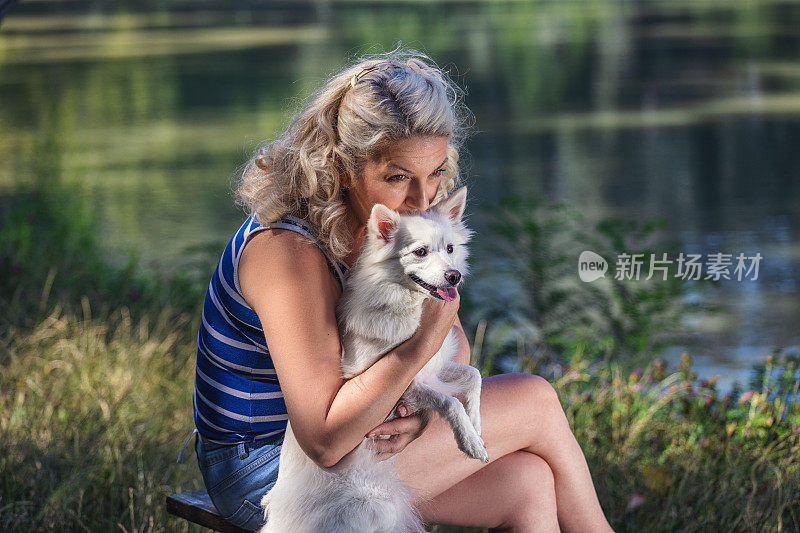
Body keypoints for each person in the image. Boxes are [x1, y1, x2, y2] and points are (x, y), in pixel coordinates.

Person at [181, 47, 615, 532]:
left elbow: (453, 353)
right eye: (397, 177)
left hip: (353, 443)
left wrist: (423, 415)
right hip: (266, 473)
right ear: (342, 167)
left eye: (434, 175)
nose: (423, 198)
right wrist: (421, 346)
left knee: (528, 483)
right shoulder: (288, 251)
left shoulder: (394, 237)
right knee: (534, 400)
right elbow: (324, 438)